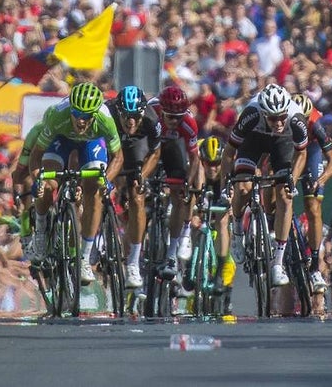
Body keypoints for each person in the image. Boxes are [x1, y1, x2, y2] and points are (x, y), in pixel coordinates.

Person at [23, 82, 123, 286]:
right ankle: (41, 232)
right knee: (49, 184)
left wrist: (107, 181)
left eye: (86, 116)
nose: (80, 120)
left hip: (90, 143)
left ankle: (84, 257)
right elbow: (36, 156)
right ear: (71, 109)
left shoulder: (105, 120)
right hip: (61, 139)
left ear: (94, 114)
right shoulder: (58, 115)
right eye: (76, 113)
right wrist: (37, 179)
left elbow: (118, 157)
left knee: (94, 191)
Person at [225, 83, 310, 288]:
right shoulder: (251, 114)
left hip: (283, 144)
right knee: (243, 188)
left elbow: (302, 153)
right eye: (273, 118)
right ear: (263, 114)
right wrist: (228, 180)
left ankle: (277, 265)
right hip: (254, 140)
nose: (279, 122)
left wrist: (293, 179)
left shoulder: (296, 119)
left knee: (285, 196)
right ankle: (237, 229)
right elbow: (229, 152)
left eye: (282, 117)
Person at [103, 85, 161, 289]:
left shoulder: (152, 120)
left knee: (137, 196)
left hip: (136, 150)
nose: (131, 122)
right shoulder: (106, 114)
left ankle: (133, 263)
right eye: (126, 116)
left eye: (135, 116)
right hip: (110, 148)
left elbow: (155, 153)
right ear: (118, 111)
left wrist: (141, 176)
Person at [147, 84, 201, 282]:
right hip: (150, 146)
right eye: (170, 117)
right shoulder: (150, 112)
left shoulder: (188, 123)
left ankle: (171, 253)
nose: (173, 121)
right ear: (162, 110)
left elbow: (194, 159)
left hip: (174, 150)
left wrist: (187, 183)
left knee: (179, 194)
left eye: (178, 118)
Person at [286, 92, 332, 295]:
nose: (301, 122)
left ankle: (315, 265)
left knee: (313, 207)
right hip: (289, 147)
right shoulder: (282, 119)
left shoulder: (315, 124)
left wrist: (320, 180)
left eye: (305, 119)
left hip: (311, 151)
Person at [194, 135, 234, 302]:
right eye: (208, 164)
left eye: (216, 164)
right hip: (201, 186)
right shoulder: (196, 158)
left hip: (221, 188)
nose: (212, 168)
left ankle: (222, 268)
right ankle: (191, 263)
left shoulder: (228, 165)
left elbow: (234, 195)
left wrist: (232, 204)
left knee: (223, 220)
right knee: (193, 221)